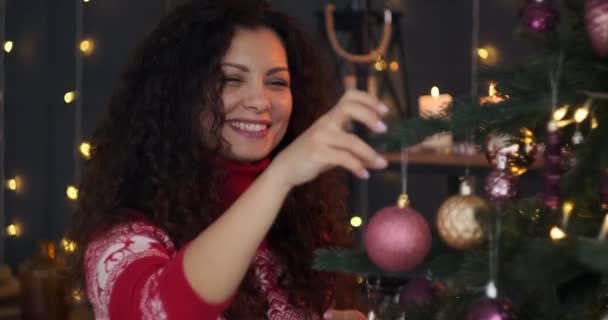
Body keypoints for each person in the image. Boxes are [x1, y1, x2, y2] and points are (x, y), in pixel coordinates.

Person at [68, 1, 388, 319]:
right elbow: (159, 312)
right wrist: (279, 176)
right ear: (181, 93)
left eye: (277, 82)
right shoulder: (123, 236)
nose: (260, 101)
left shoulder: (299, 225)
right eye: (231, 79)